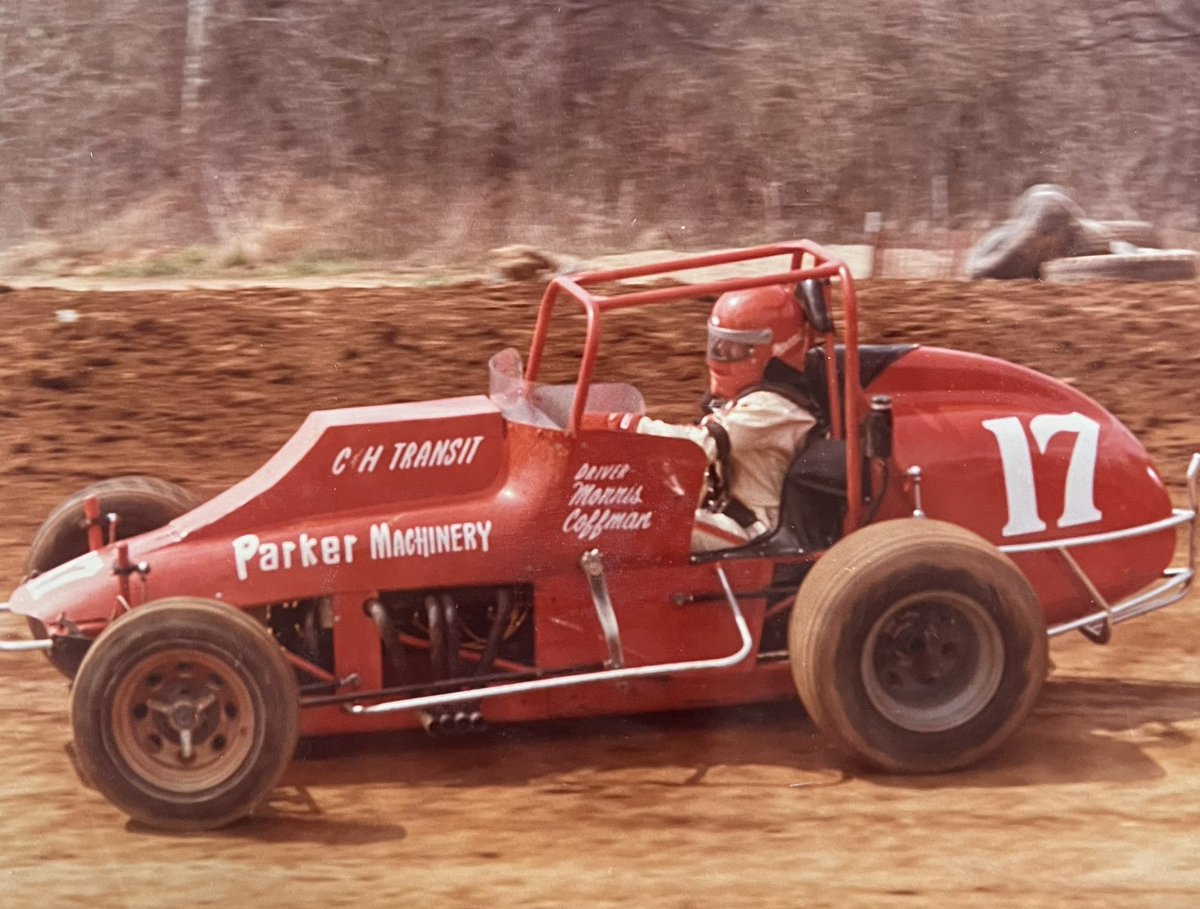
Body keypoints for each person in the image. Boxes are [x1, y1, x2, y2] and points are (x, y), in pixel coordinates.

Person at [597, 284, 819, 552]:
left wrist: (625, 426)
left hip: (753, 531)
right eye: (718, 343)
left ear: (773, 350)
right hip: (721, 510)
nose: (721, 355)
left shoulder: (774, 409)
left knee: (627, 521)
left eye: (736, 349)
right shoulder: (750, 398)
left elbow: (698, 445)